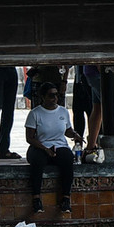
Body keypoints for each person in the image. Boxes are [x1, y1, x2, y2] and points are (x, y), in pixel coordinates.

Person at [25, 82, 82, 217]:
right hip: (40, 146)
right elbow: (30, 138)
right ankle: (36, 199)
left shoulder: (63, 111)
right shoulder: (35, 113)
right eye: (51, 95)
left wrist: (75, 135)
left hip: (59, 145)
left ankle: (66, 199)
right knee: (37, 161)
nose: (55, 98)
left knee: (68, 159)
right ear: (43, 97)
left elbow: (67, 130)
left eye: (57, 95)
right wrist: (45, 149)